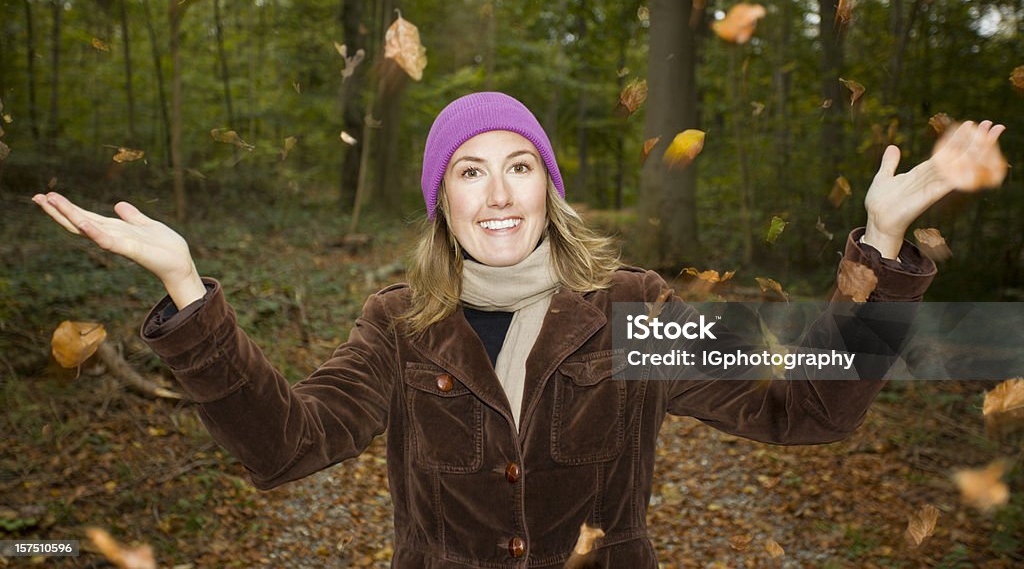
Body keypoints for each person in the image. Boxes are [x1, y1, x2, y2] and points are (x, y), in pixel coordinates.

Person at [33, 92, 1006, 567]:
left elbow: (808, 411)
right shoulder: (398, 326)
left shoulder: (630, 311)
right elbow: (288, 446)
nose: (496, 191)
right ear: (440, 200)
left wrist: (880, 243)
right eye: (468, 168)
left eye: (518, 165)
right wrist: (185, 285)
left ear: (549, 186)